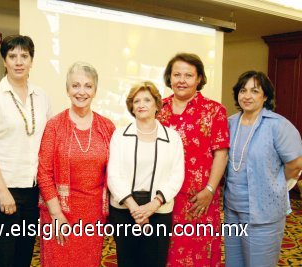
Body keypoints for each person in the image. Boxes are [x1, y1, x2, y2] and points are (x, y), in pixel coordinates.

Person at [0, 35, 52, 267]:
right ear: (4, 61)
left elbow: (47, 141)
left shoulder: (42, 96)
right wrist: (2, 191)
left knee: (23, 255)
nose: (19, 62)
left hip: (31, 191)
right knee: (1, 257)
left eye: (24, 56)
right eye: (12, 56)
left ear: (31, 61)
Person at [37, 61, 115, 267]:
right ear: (67, 89)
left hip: (93, 214)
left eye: (88, 86)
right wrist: (56, 214)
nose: (82, 92)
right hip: (59, 212)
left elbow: (115, 171)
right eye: (76, 85)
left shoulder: (107, 127)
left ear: (95, 90)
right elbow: (44, 172)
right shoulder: (54, 125)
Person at [156, 52, 230, 266]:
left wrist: (209, 190)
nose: (181, 80)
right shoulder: (158, 109)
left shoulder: (214, 110)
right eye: (176, 74)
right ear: (169, 78)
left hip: (199, 199)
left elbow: (221, 154)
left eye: (188, 75)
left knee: (198, 255)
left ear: (199, 79)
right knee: (163, 253)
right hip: (163, 197)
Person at [224, 71, 302, 267]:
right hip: (233, 210)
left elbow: (296, 164)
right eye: (243, 90)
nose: (247, 96)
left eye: (254, 91)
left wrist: (274, 181)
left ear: (265, 96)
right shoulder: (230, 123)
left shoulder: (278, 125)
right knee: (234, 262)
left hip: (264, 213)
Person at [108, 81, 184, 267]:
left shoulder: (172, 137)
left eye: (147, 100)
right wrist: (135, 208)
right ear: (131, 107)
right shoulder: (119, 135)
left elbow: (177, 175)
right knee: (127, 261)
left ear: (157, 105)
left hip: (159, 210)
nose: (141, 104)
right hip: (125, 209)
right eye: (136, 101)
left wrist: (152, 205)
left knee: (155, 261)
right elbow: (113, 174)